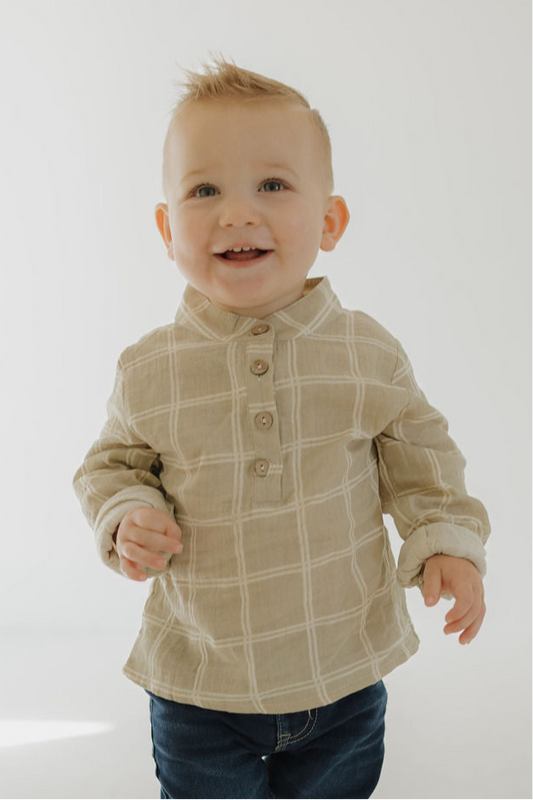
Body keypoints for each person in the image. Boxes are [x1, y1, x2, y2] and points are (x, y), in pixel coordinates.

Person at [72, 54, 491, 800]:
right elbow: (111, 466)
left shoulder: (366, 351)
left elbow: (425, 467)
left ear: (328, 221)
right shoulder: (151, 367)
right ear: (168, 228)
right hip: (200, 682)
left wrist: (443, 546)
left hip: (342, 674)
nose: (237, 213)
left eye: (272, 184)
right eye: (204, 190)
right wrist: (127, 513)